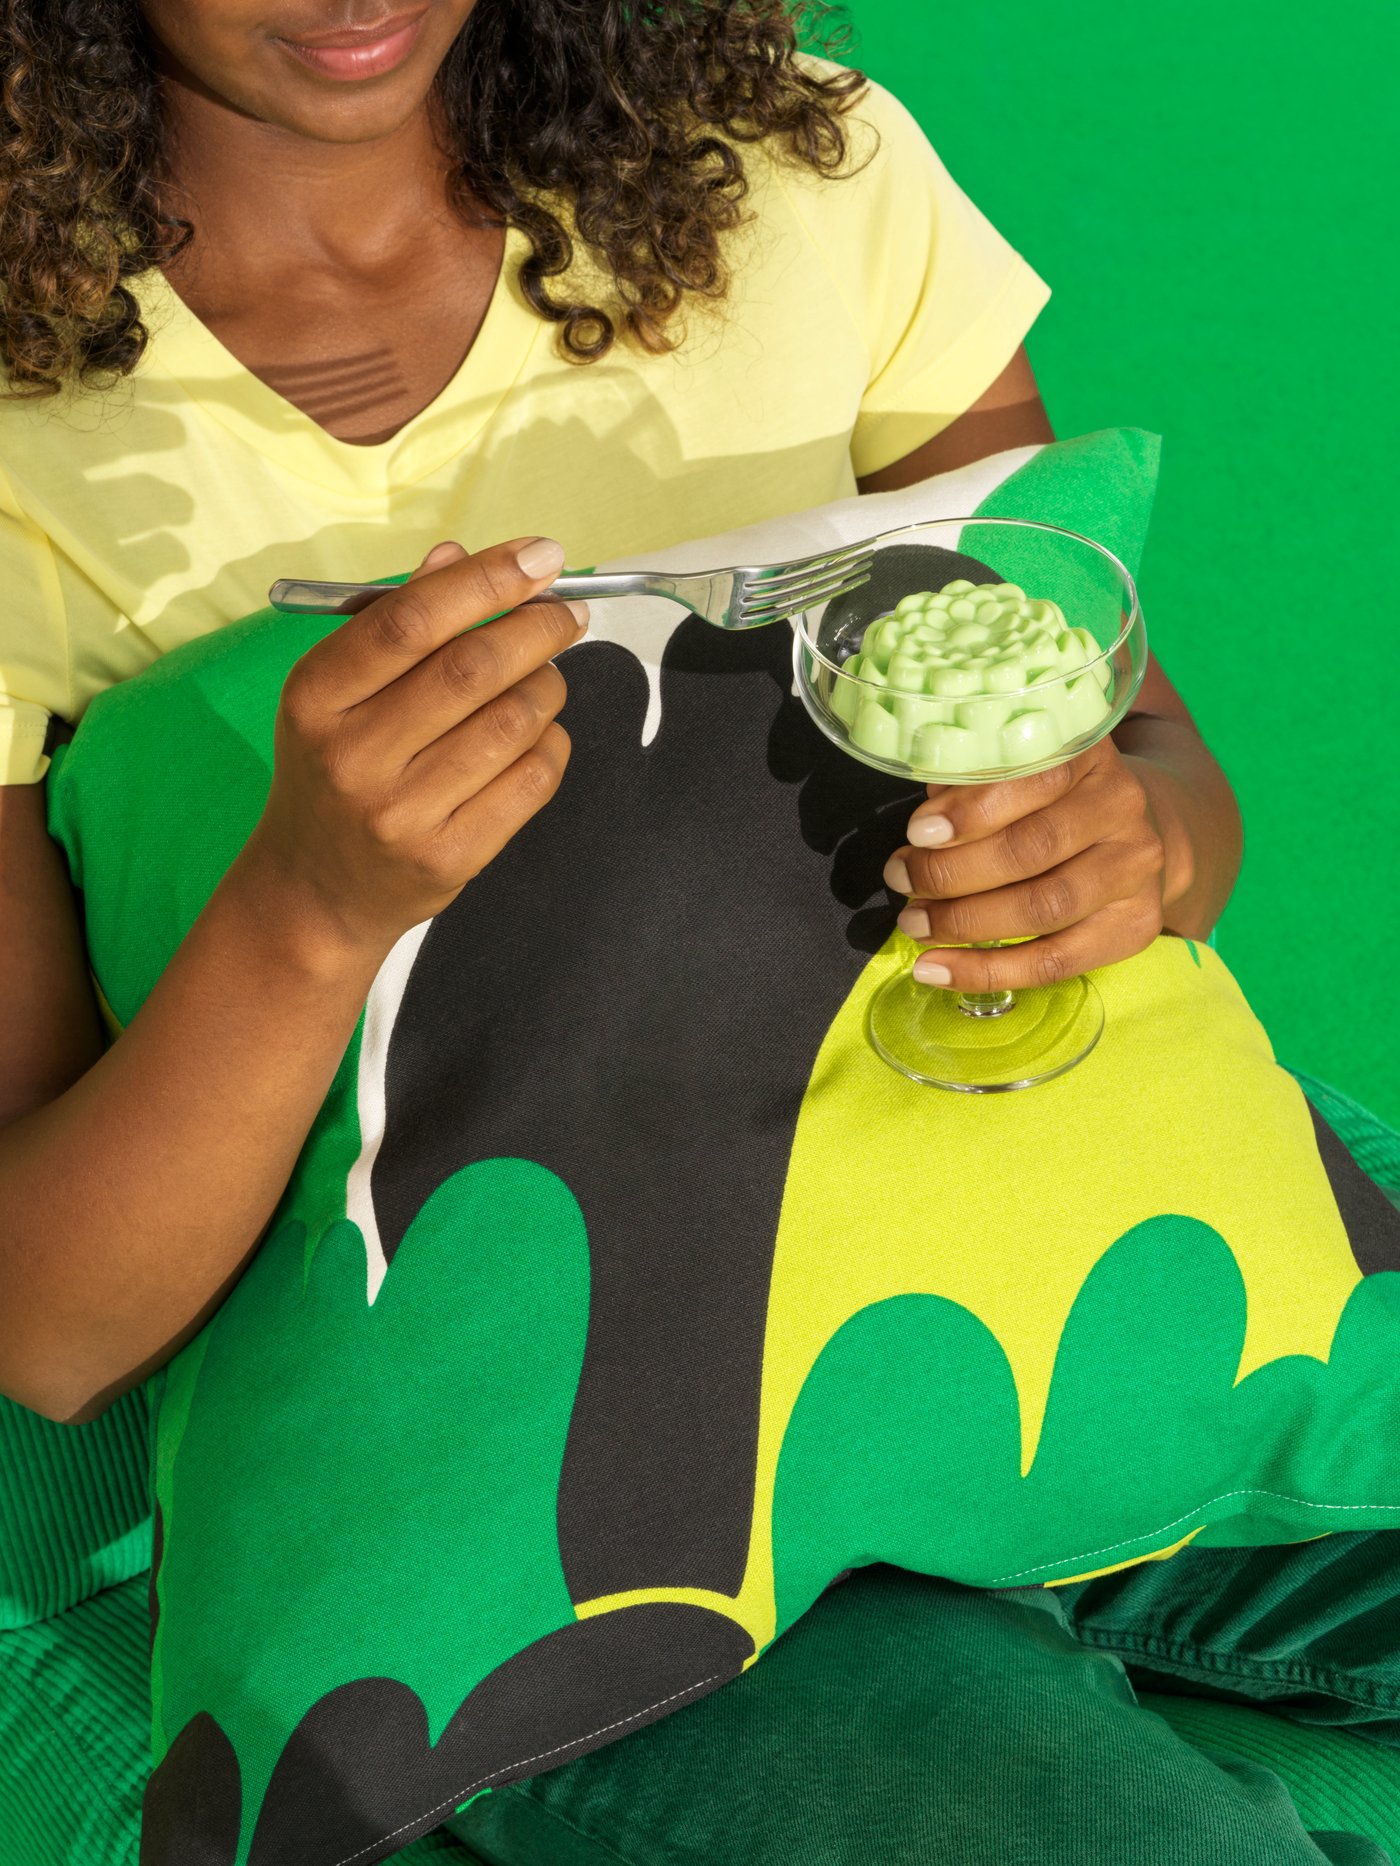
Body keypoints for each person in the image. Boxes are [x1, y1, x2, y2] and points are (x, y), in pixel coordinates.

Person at [0, 5, 1394, 1865]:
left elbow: (1144, 748)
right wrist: (308, 910)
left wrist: (1131, 843)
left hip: (1058, 1240)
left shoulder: (797, 179)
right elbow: (52, 1322)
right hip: (526, 1467)